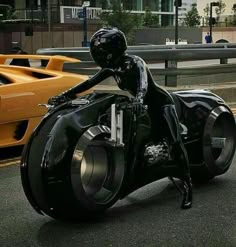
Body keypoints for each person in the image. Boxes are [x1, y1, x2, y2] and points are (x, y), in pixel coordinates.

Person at [49, 27, 192, 209]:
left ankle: (188, 186)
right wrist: (65, 94)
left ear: (113, 50)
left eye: (101, 52)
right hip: (139, 106)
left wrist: (139, 98)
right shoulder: (112, 67)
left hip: (161, 104)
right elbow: (89, 82)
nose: (98, 56)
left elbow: (143, 84)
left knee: (175, 142)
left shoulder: (135, 62)